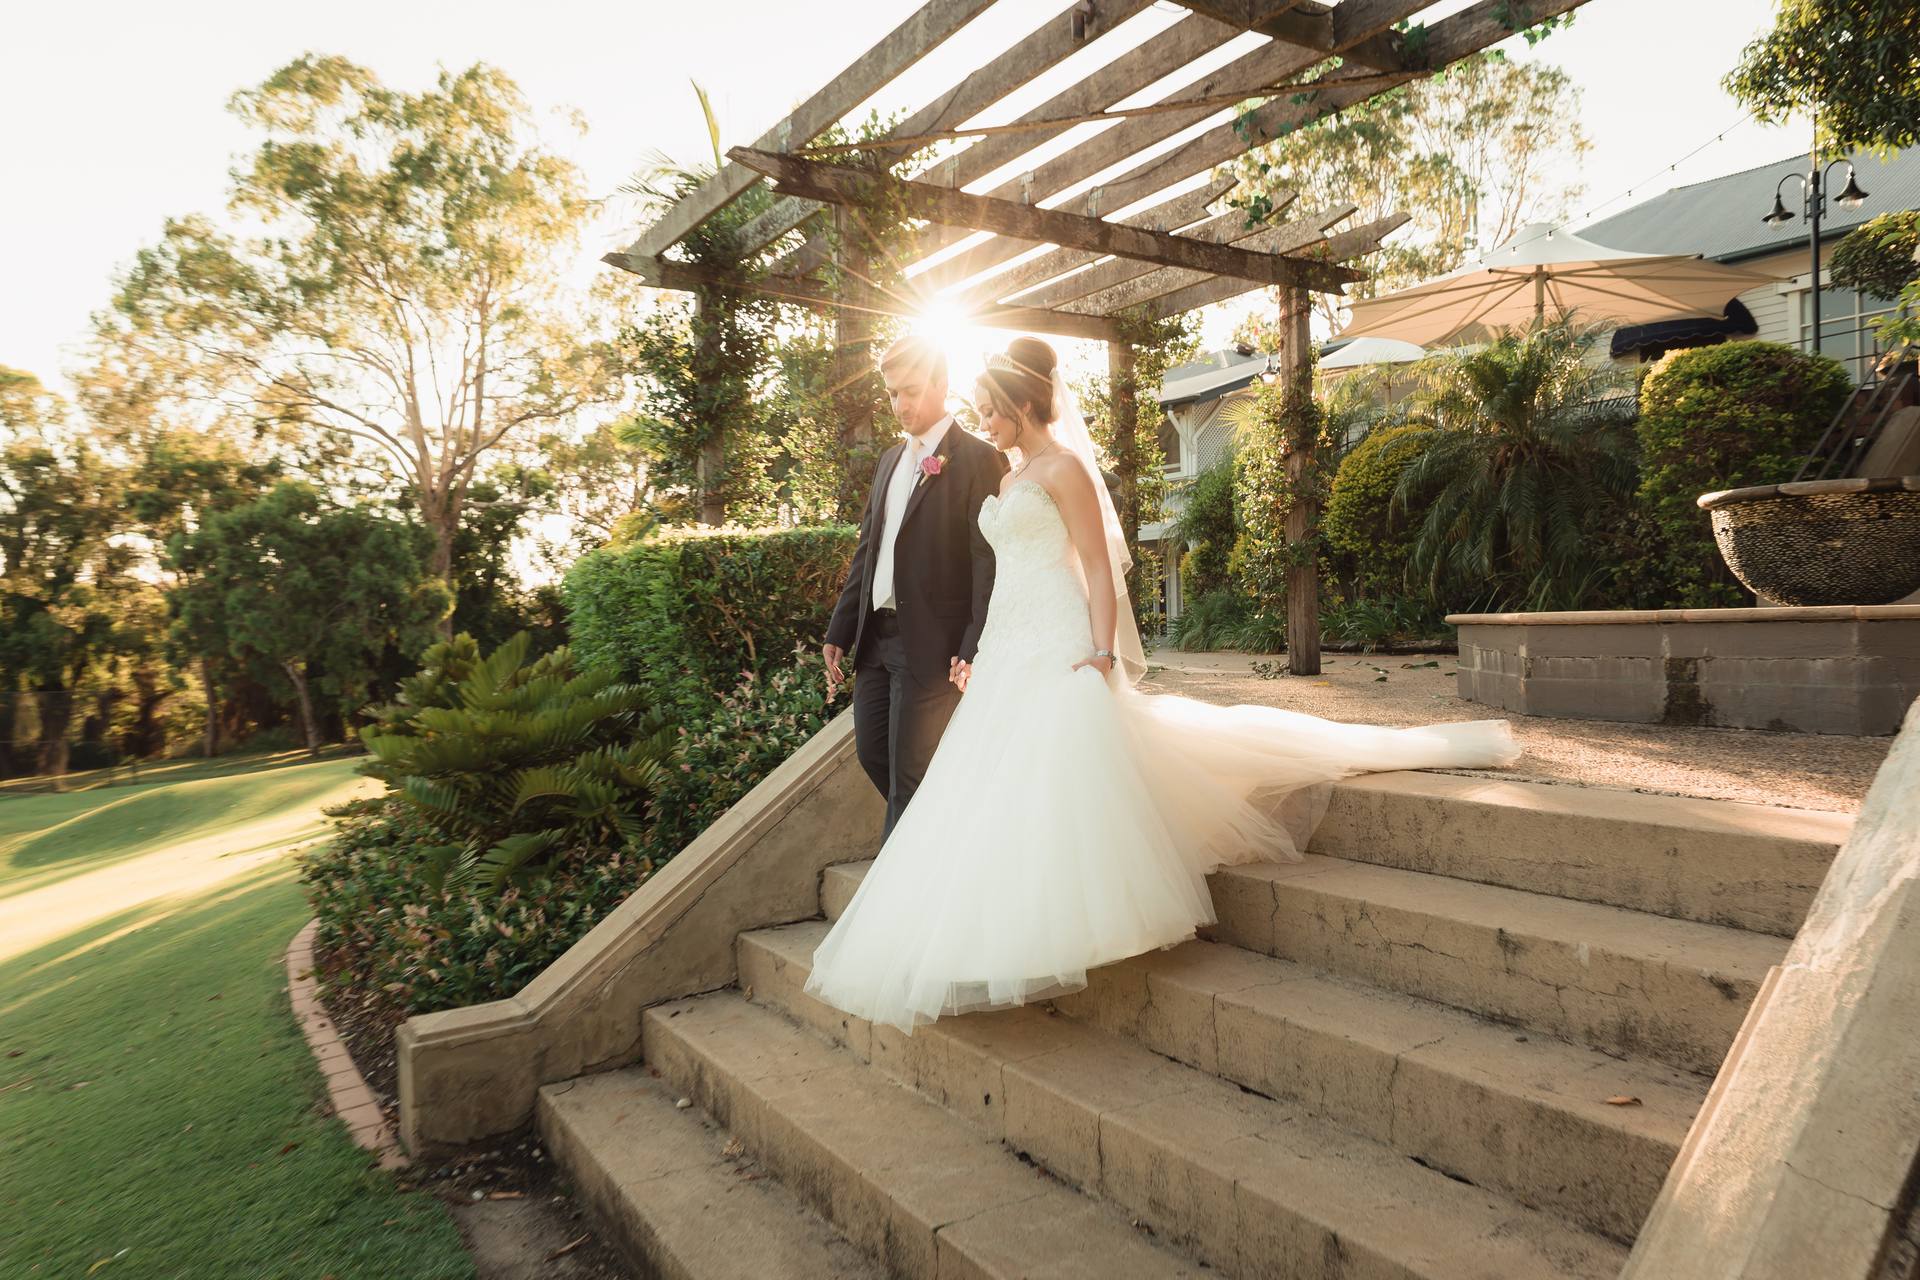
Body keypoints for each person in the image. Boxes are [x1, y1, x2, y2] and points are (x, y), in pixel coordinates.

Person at [806, 336, 1524, 1035]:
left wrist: (1100, 653)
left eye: (992, 410)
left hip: (1056, 639)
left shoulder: (1064, 473)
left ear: (1022, 405)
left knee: (1056, 771)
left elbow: (1094, 567)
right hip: (1008, 646)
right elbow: (996, 573)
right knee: (990, 782)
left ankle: (1071, 920)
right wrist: (980, 647)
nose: (985, 423)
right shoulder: (1008, 474)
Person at [822, 334, 1009, 837]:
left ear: (941, 385)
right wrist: (839, 628)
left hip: (931, 643)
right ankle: (946, 842)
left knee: (908, 774)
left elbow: (986, 562)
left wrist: (973, 644)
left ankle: (896, 904)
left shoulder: (977, 458)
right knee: (872, 753)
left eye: (910, 390)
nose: (900, 404)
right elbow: (869, 549)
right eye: (891, 394)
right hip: (874, 640)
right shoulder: (889, 461)